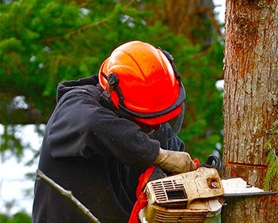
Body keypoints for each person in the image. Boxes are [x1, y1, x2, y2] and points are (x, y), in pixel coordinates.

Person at [32, 40, 196, 223]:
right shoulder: (75, 108)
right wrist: (159, 155)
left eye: (160, 120)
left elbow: (178, 162)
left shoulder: (152, 122)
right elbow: (91, 124)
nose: (156, 127)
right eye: (147, 123)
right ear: (115, 101)